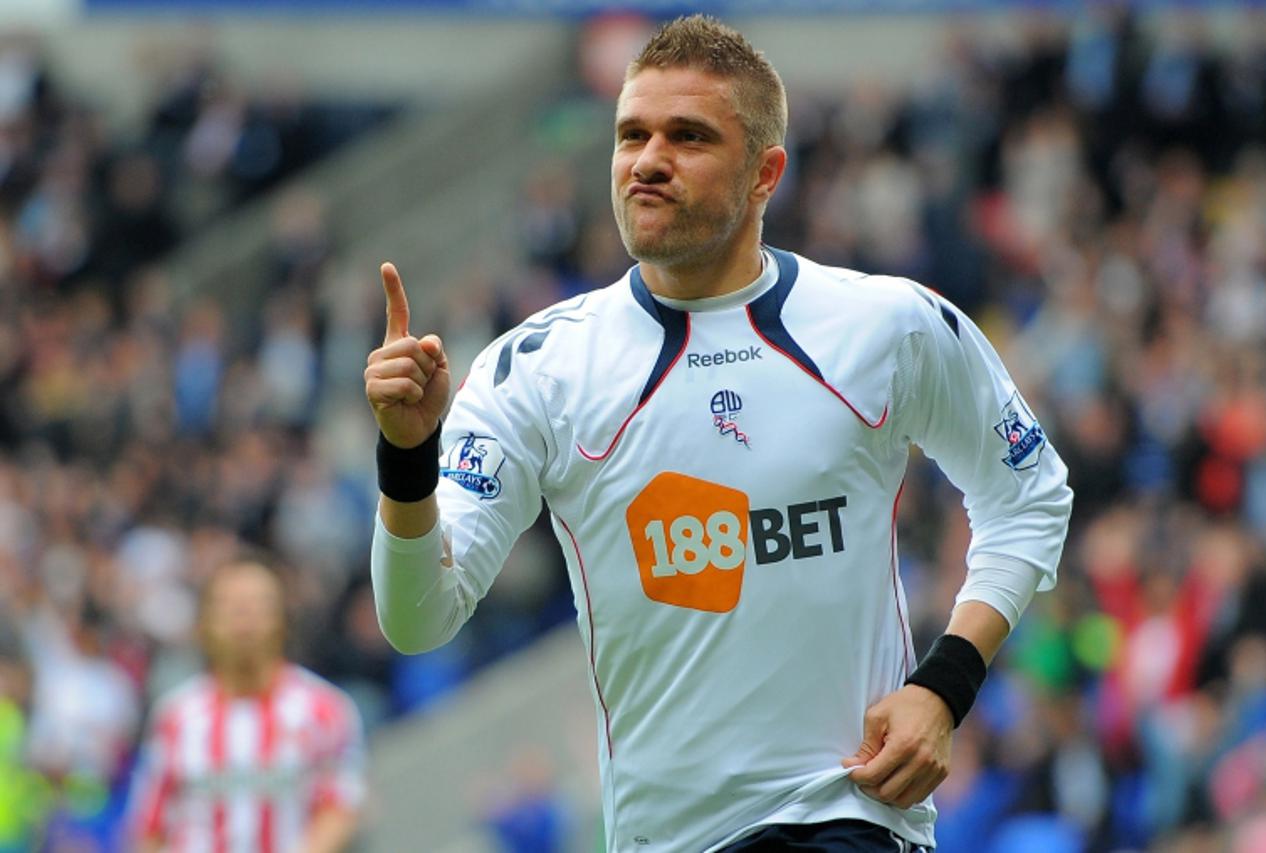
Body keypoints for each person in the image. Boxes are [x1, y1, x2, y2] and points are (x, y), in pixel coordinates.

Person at [366, 15, 1072, 852]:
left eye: (688, 136)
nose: (649, 159)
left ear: (765, 171)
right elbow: (418, 618)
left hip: (846, 815)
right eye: (632, 134)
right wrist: (408, 455)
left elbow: (1029, 493)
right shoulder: (540, 366)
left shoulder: (888, 325)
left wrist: (944, 685)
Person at [127, 558, 365, 853]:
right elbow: (150, 828)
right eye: (230, 605)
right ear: (204, 623)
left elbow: (340, 809)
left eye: (257, 603)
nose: (244, 616)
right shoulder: (175, 716)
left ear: (282, 618)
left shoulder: (325, 709)